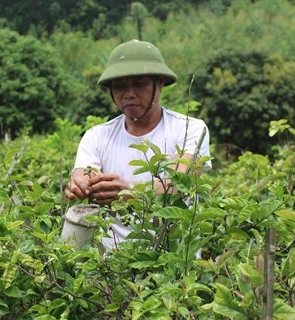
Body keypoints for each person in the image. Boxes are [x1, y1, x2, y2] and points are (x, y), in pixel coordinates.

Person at [65, 39, 211, 248]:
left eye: (139, 83)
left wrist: (129, 191)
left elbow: (181, 185)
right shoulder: (96, 136)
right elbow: (83, 175)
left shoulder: (191, 130)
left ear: (159, 83)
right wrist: (79, 186)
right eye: (120, 86)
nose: (129, 93)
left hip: (174, 264)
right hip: (111, 268)